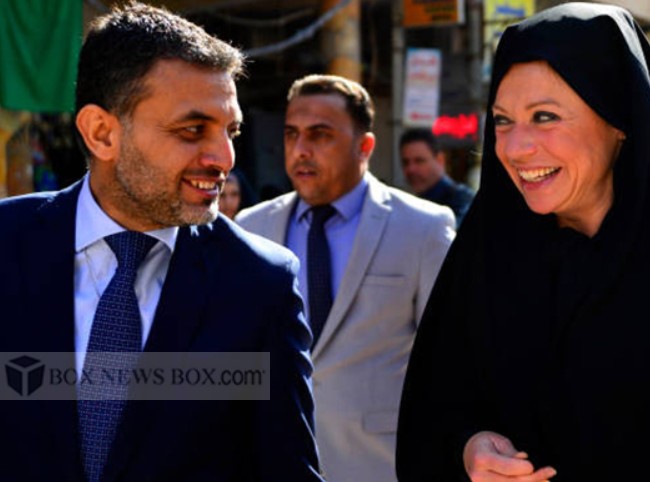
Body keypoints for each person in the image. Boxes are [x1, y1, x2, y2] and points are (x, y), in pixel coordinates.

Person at [0, 3, 324, 481]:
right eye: (192, 130)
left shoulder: (259, 286)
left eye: (230, 131)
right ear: (101, 133)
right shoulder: (8, 244)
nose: (224, 158)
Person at [396, 3, 650, 481]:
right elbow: (436, 408)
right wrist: (470, 448)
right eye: (502, 121)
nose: (514, 148)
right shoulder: (487, 256)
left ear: (618, 120)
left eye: (545, 116)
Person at [236, 74, 455, 482]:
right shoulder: (252, 227)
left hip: (382, 465)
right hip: (278, 461)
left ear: (365, 146)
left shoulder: (423, 227)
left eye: (320, 135)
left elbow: (452, 358)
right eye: (291, 134)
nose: (301, 150)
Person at [399, 127, 475, 226]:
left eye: (419, 161)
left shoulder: (461, 199)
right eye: (405, 162)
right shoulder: (411, 202)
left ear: (440, 160)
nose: (411, 169)